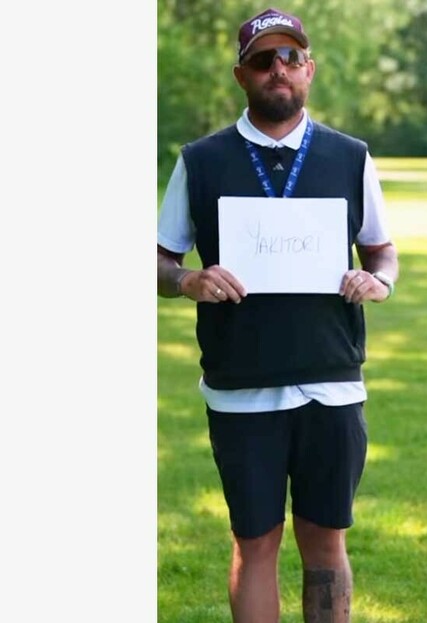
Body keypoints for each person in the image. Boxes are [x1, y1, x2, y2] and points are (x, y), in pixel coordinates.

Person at [156, 7, 398, 622]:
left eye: (290, 57)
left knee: (325, 543)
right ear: (242, 75)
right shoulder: (202, 159)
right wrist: (189, 279)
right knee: (255, 542)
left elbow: (381, 250)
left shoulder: (350, 157)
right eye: (264, 60)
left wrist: (379, 282)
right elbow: (158, 259)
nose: (278, 69)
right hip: (240, 387)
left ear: (309, 70)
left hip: (332, 381)